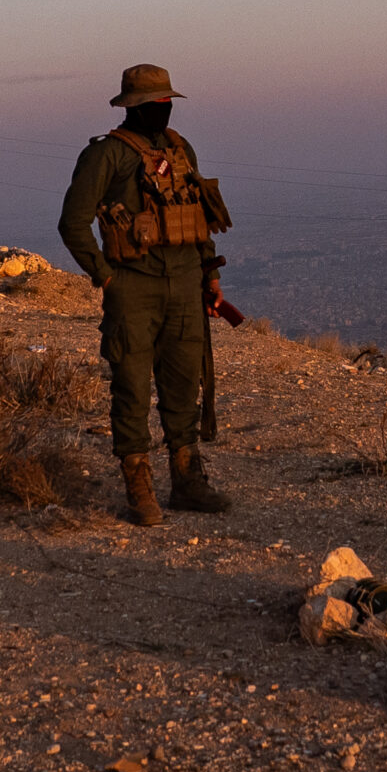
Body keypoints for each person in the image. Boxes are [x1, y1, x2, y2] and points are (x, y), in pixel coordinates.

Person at [58, 64, 236, 526]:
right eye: (155, 104)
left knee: (182, 385)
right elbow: (73, 224)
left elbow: (199, 214)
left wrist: (209, 273)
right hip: (133, 287)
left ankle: (187, 482)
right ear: (132, 108)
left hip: (185, 282)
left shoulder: (181, 150)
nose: (163, 110)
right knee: (133, 388)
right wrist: (106, 276)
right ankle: (140, 488)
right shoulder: (106, 156)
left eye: (167, 102)